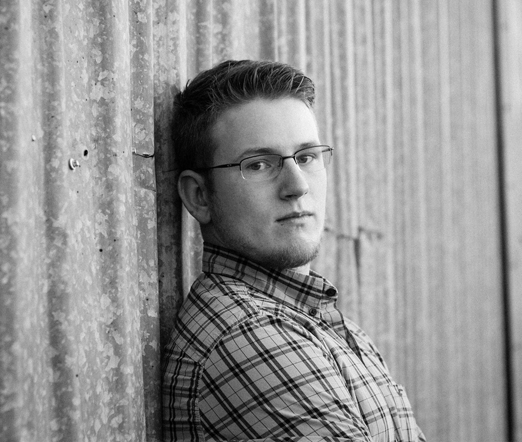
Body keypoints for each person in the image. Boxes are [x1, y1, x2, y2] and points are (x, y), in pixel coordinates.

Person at [162, 60, 426, 441]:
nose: (297, 185)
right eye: (258, 165)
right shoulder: (249, 338)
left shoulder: (312, 319)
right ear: (199, 196)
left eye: (306, 157)